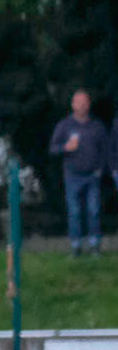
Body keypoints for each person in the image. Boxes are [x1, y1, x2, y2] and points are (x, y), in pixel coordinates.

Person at [50, 90, 111, 258]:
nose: (82, 106)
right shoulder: (64, 125)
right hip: (72, 176)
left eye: (85, 102)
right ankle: (76, 247)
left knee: (93, 211)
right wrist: (65, 148)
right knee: (74, 212)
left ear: (89, 104)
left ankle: (94, 246)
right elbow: (53, 148)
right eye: (78, 102)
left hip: (92, 176)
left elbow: (106, 150)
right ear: (73, 105)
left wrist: (101, 169)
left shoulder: (97, 126)